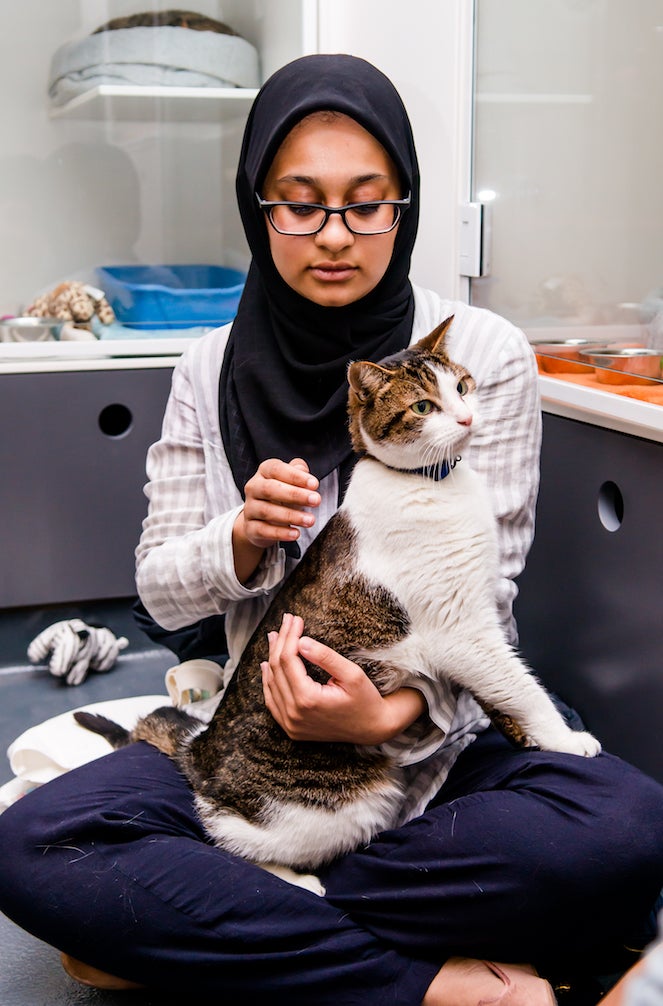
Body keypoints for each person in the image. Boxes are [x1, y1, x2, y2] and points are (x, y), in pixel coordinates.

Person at [1, 54, 662, 1006]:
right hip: (259, 748)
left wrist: (391, 716)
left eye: (368, 203)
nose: (335, 236)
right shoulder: (208, 364)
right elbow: (156, 587)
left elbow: (490, 607)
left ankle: (201, 923)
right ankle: (421, 980)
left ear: (407, 203)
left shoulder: (479, 355)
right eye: (299, 204)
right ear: (256, 205)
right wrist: (236, 541)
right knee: (33, 846)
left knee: (627, 830)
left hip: (430, 743)